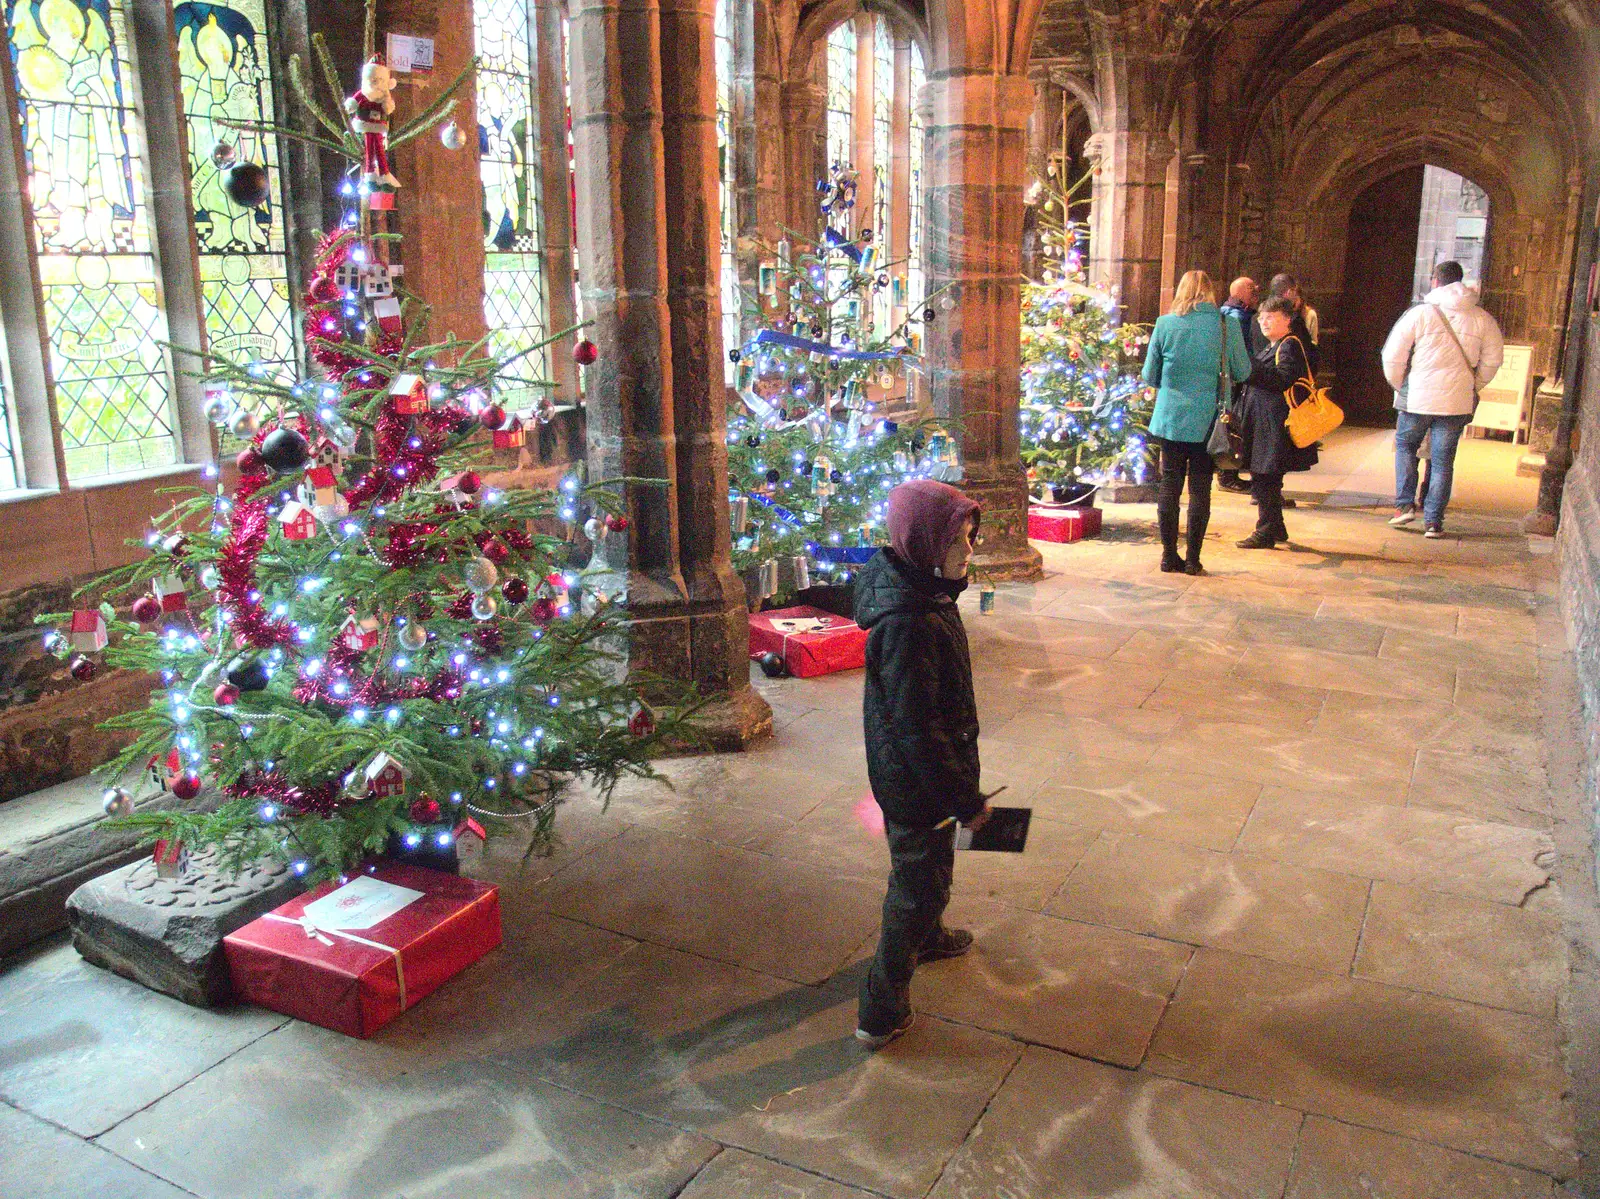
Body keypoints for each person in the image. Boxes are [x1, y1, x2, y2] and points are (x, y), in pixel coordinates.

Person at [853, 478, 990, 1049]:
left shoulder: (923, 592)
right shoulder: (910, 622)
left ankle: (929, 935)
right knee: (915, 887)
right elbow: (918, 730)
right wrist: (963, 798)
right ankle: (880, 1010)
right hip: (918, 782)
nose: (969, 554)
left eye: (970, 540)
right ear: (924, 545)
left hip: (922, 774)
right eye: (957, 543)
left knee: (930, 865)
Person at [1380, 260, 1505, 538]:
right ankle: (1434, 521)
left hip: (1418, 400)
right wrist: (1474, 384)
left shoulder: (1420, 314)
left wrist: (1402, 386)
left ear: (1435, 281)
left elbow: (1392, 355)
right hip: (1457, 401)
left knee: (1405, 446)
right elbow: (1493, 360)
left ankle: (1404, 506)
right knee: (1443, 460)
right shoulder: (1483, 318)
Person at [1141, 269, 1253, 575]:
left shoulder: (1165, 324)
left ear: (1181, 290)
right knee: (1201, 489)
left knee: (1169, 486)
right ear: (1211, 292)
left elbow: (1149, 375)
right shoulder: (1225, 325)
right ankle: (1193, 560)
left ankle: (1167, 556)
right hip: (1210, 421)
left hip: (1171, 419)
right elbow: (1243, 371)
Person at [1236, 296, 1318, 548]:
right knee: (1264, 477)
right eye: (1261, 317)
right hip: (1263, 422)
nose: (1263, 321)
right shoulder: (1272, 346)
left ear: (1287, 319)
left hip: (1274, 424)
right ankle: (1276, 526)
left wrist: (1249, 367)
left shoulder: (1290, 345)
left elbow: (1282, 380)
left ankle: (1266, 531)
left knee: (1265, 477)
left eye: (1270, 317)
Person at [1216, 277, 1263, 494]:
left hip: (1232, 379)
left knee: (1231, 425)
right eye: (1252, 289)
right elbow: (1243, 352)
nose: (1256, 292)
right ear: (1240, 293)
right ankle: (1228, 476)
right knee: (1233, 427)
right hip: (1236, 380)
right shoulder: (1237, 316)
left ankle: (1228, 474)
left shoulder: (1231, 312)